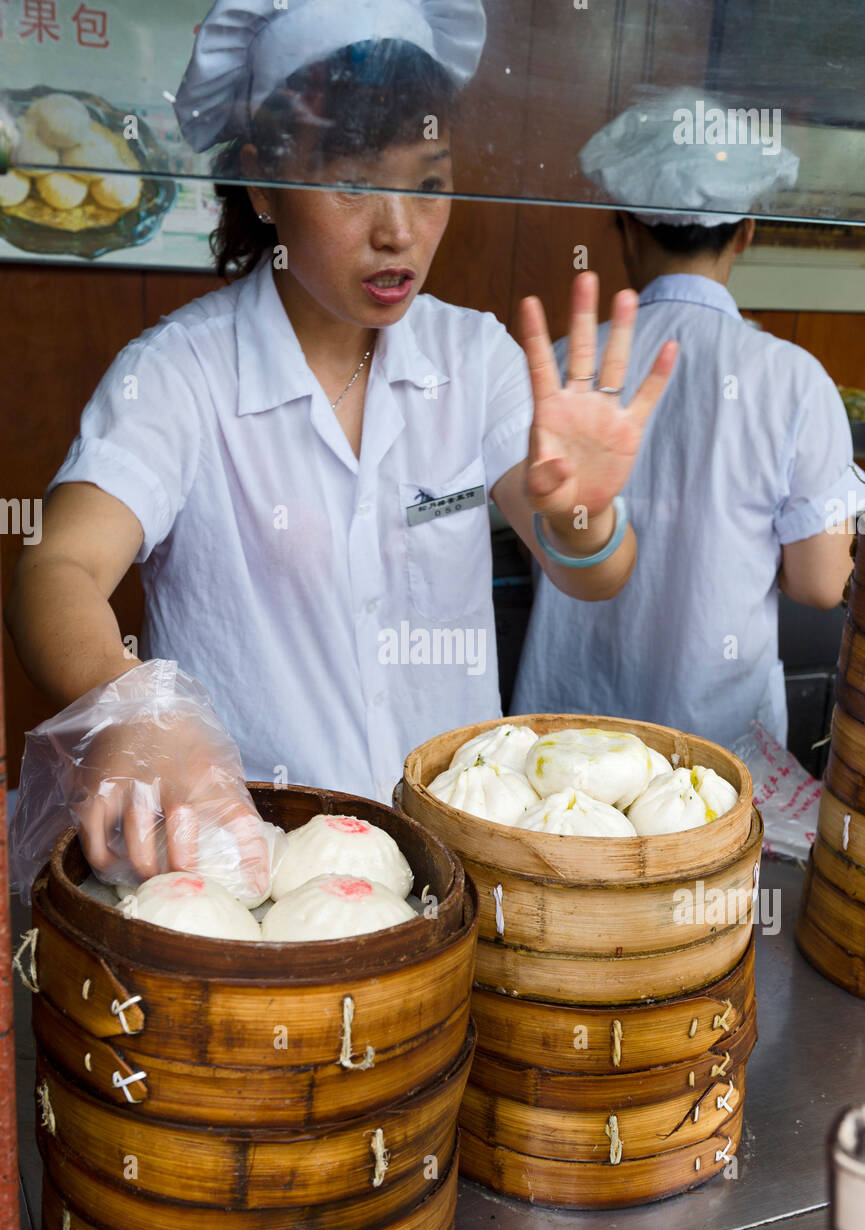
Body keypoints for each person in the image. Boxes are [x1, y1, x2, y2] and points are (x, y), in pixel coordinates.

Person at [5, 1, 677, 886]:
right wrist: (136, 713)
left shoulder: (472, 358)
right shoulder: (180, 374)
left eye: (429, 182)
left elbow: (591, 571)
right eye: (354, 183)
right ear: (261, 182)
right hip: (249, 868)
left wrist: (584, 514)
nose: (399, 229)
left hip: (453, 867)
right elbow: (55, 572)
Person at [512, 87, 864, 752]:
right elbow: (819, 584)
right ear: (746, 232)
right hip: (714, 754)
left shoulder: (556, 367)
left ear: (625, 227)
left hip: (563, 739)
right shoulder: (791, 378)